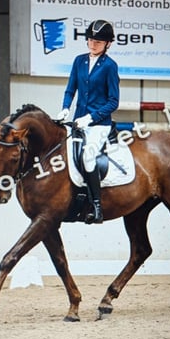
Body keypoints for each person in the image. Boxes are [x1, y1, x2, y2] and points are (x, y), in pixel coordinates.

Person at [56, 19, 120, 224]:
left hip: (99, 124)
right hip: (77, 121)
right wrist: (65, 108)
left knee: (88, 157)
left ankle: (96, 206)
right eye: (90, 40)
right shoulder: (79, 61)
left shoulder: (110, 66)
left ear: (107, 44)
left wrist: (91, 117)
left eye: (98, 42)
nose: (93, 44)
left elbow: (113, 102)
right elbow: (70, 89)